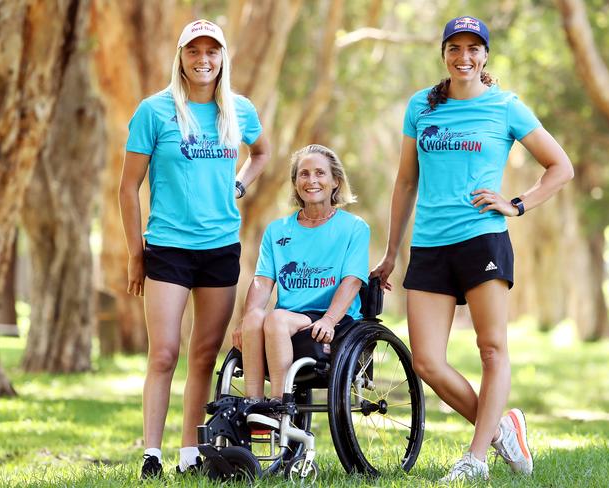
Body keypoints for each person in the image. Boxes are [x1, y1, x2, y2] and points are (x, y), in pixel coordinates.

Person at [372, 16, 574, 483]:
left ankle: (476, 459)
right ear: (443, 52)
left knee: (491, 348)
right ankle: (504, 427)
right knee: (426, 361)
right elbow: (405, 182)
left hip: (482, 239)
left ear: (485, 55)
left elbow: (559, 166)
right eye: (455, 47)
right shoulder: (421, 106)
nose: (464, 57)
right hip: (428, 244)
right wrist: (389, 252)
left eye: (473, 48)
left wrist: (517, 204)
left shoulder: (505, 106)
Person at [119, 19, 270, 479]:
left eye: (212, 51)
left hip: (220, 248)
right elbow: (128, 188)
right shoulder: (154, 111)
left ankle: (189, 454)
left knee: (204, 354)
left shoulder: (238, 110)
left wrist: (238, 186)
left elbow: (261, 152)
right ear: (181, 57)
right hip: (167, 248)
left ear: (223, 58)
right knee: (164, 353)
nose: (203, 60)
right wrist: (134, 252)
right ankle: (151, 454)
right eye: (194, 51)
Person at [231, 144, 369, 423]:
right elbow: (261, 282)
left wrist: (329, 320)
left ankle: (280, 407)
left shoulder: (353, 228)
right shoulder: (277, 230)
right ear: (295, 183)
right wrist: (247, 321)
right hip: (292, 317)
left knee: (277, 319)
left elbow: (353, 280)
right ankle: (254, 408)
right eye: (303, 174)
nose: (312, 180)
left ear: (335, 182)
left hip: (334, 320)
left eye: (320, 173)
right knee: (259, 318)